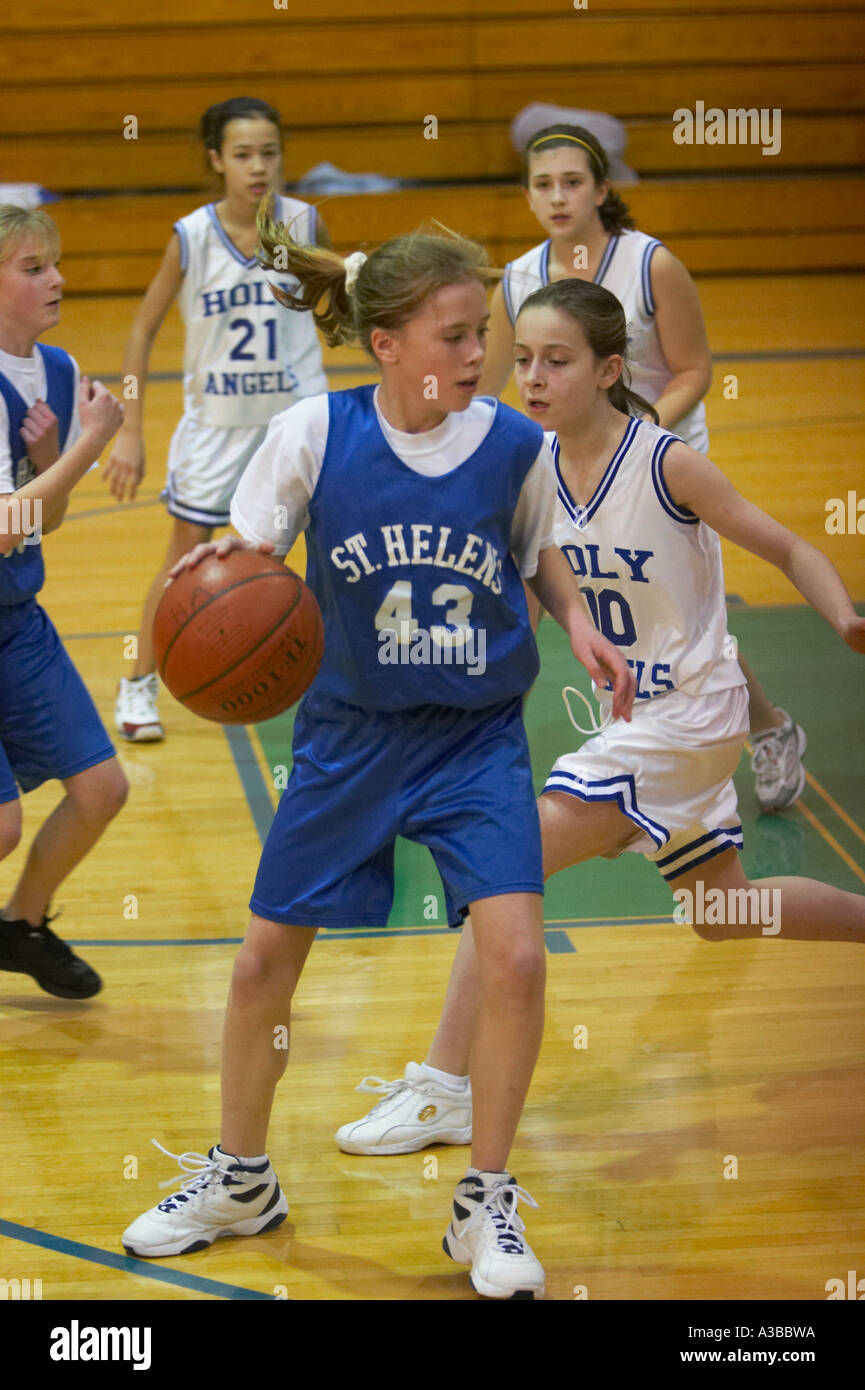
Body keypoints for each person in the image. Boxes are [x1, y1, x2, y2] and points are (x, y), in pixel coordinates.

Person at [121, 217, 636, 1300]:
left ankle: (484, 1198)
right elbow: (250, 551)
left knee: (519, 961)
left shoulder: (514, 445)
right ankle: (242, 1178)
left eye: (478, 334)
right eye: (452, 336)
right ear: (386, 343)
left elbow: (539, 551)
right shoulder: (317, 431)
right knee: (264, 962)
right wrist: (222, 573)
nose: (476, 355)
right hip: (350, 737)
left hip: (473, 735)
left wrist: (580, 621)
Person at [335, 277, 865, 1159]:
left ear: (608, 368)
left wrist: (843, 614)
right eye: (524, 362)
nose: (532, 379)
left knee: (502, 863)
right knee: (722, 910)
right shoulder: (529, 466)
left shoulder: (665, 464)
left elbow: (786, 544)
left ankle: (442, 1090)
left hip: (690, 713)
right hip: (634, 718)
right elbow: (539, 601)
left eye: (556, 361)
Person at [479, 123, 806, 815]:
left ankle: (768, 724)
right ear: (527, 194)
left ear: (601, 188)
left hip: (660, 464)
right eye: (542, 184)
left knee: (677, 634)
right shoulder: (516, 279)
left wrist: (639, 428)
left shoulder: (650, 265)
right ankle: (481, 745)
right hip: (567, 460)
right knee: (530, 595)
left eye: (572, 181)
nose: (557, 196)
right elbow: (487, 391)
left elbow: (694, 369)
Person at [107, 97, 329, 742]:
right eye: (242, 155)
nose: (258, 167)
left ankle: (329, 688)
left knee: (326, 554)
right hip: (216, 425)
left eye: (269, 152)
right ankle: (138, 683)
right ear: (216, 160)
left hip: (295, 420)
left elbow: (331, 311)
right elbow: (141, 332)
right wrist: (129, 428)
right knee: (183, 559)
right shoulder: (192, 235)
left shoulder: (303, 224)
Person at [0, 205, 126, 1000]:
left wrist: (51, 457)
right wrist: (83, 448)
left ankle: (20, 927)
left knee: (102, 789)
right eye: (34, 266)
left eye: (56, 262)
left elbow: (45, 520)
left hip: (16, 620)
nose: (57, 278)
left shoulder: (55, 367)